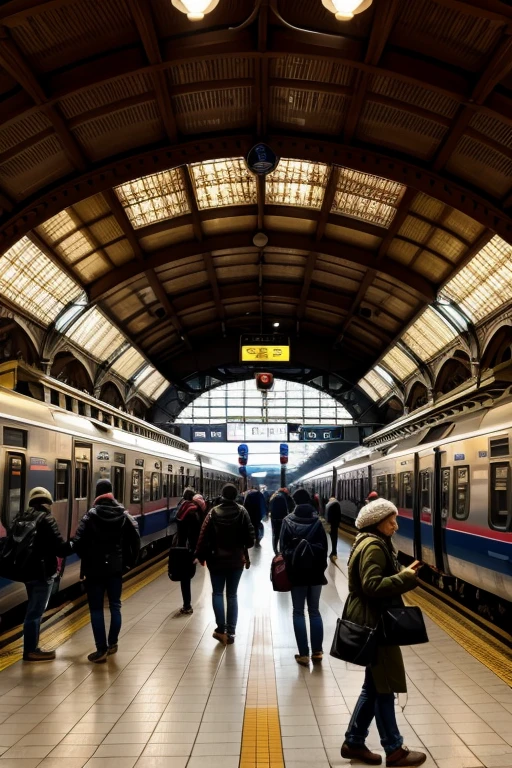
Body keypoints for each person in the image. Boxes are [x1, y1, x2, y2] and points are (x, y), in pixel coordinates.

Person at [340, 499, 426, 767]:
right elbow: (372, 585)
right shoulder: (374, 546)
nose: (395, 525)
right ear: (376, 522)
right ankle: (395, 749)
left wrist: (401, 573)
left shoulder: (368, 541)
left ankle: (354, 742)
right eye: (391, 521)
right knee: (384, 686)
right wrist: (405, 578)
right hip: (375, 622)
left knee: (374, 685)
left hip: (369, 617)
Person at [72, 479, 140, 664]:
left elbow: (77, 542)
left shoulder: (90, 516)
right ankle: (113, 644)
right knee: (115, 606)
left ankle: (100, 650)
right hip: (115, 568)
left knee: (96, 609)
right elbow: (135, 540)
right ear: (111, 493)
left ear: (97, 494)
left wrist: (85, 557)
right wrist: (128, 563)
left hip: (93, 569)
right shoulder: (123, 515)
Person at [195, 483, 255, 645]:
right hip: (236, 560)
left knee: (217, 593)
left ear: (222, 495)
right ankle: (231, 630)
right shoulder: (243, 512)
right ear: (236, 496)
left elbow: (202, 536)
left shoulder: (212, 513)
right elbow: (250, 540)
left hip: (216, 560)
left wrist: (200, 556)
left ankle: (221, 629)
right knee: (232, 594)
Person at [19, 488, 71, 662]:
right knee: (35, 612)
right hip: (42, 573)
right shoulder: (47, 520)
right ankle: (31, 650)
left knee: (32, 610)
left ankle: (31, 647)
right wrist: (76, 543)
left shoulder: (23, 517)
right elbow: (60, 549)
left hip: (27, 573)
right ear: (47, 503)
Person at [279, 488, 328, 667]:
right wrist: (320, 567)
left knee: (298, 611)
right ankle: (318, 652)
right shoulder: (317, 522)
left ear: (295, 502)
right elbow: (324, 548)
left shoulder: (287, 521)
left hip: (296, 573)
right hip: (315, 574)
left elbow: (282, 547)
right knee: (314, 611)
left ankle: (303, 654)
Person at [173, 489, 205, 617]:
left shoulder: (182, 509)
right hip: (190, 549)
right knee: (187, 576)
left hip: (181, 547)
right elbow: (196, 534)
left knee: (184, 579)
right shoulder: (193, 513)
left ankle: (186, 605)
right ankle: (187, 605)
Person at [269, 488, 294, 555]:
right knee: (283, 534)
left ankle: (275, 550)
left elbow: (269, 506)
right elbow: (287, 508)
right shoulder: (284, 497)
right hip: (282, 518)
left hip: (274, 518)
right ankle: (281, 550)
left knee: (275, 534)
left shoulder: (273, 496)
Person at [325, 496, 342, 561]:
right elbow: (339, 515)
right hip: (334, 524)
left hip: (331, 524)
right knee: (334, 538)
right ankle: (334, 552)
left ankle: (334, 552)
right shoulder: (336, 503)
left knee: (333, 538)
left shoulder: (330, 504)